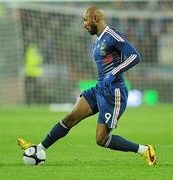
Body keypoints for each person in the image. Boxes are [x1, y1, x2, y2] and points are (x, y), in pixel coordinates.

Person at [18, 6, 156, 166]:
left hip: (114, 93)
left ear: (96, 18)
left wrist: (113, 74)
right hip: (99, 89)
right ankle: (38, 148)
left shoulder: (112, 35)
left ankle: (145, 150)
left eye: (85, 19)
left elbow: (135, 56)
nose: (83, 24)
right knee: (70, 118)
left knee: (101, 139)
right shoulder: (96, 42)